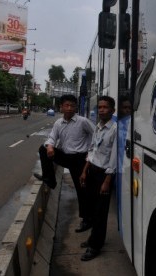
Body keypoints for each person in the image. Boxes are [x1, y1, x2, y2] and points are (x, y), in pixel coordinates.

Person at [35, 94, 95, 233]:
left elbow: (95, 135)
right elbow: (51, 137)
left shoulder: (83, 121)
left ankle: (87, 219)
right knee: (43, 149)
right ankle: (50, 179)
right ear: (61, 107)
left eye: (72, 106)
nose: (69, 108)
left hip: (80, 159)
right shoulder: (58, 123)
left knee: (82, 189)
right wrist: (50, 146)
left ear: (76, 107)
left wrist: (90, 153)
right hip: (65, 156)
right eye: (66, 105)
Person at [79, 95, 117, 261]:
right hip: (92, 171)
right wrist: (84, 170)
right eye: (99, 107)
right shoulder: (98, 127)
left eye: (105, 107)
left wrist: (107, 181)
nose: (101, 110)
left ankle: (95, 246)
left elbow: (114, 158)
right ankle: (93, 238)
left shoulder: (115, 129)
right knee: (93, 209)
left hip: (104, 175)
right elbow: (92, 149)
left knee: (101, 213)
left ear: (112, 110)